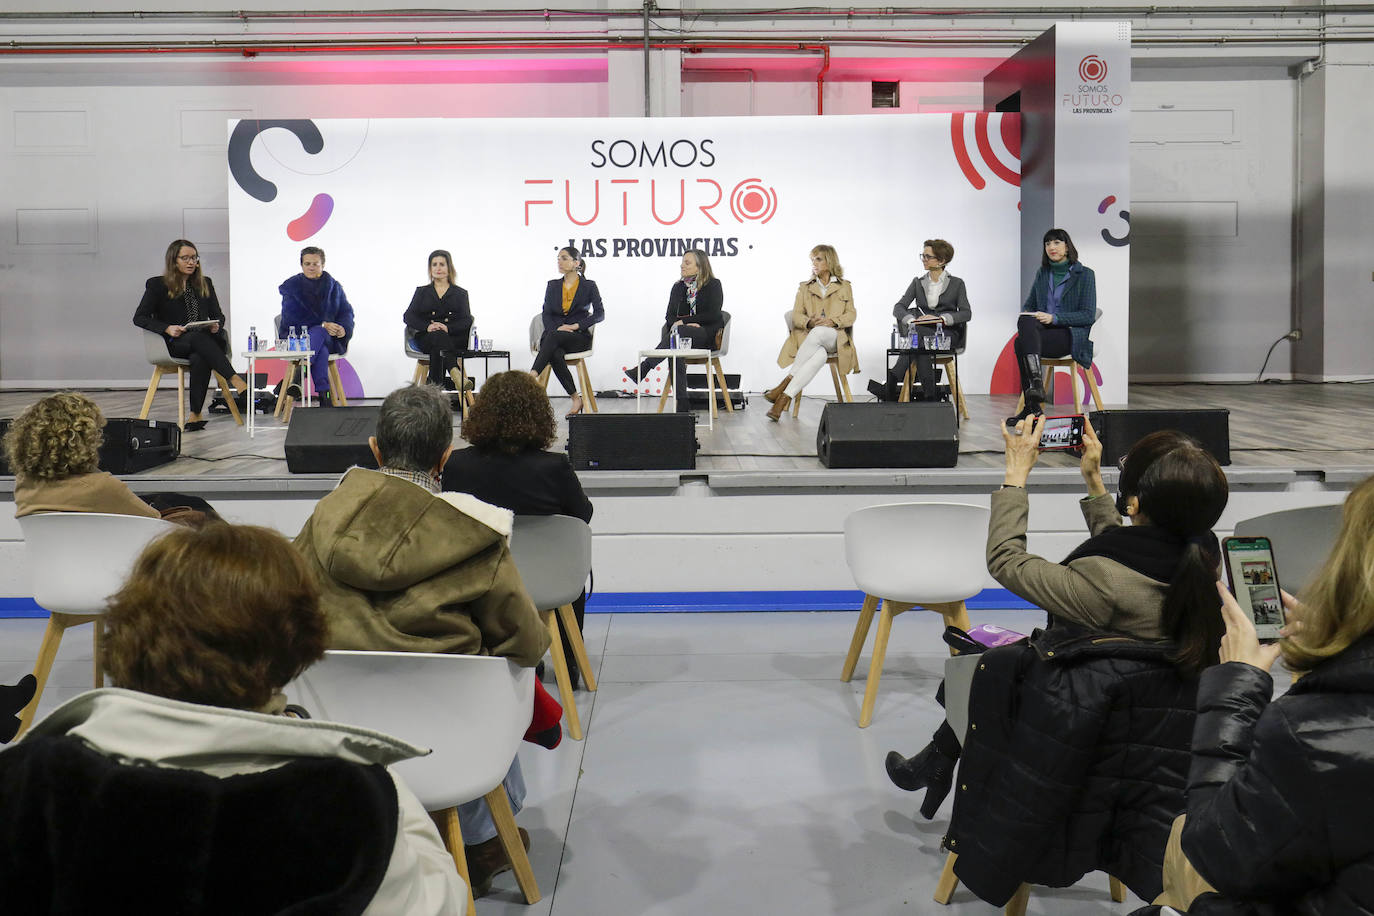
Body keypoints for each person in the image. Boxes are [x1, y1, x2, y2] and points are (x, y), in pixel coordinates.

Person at [0, 523, 465, 914]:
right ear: (298, 645)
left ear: (128, 629)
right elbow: (437, 902)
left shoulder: (28, 781)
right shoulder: (354, 801)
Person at [887, 417, 1230, 905]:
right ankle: (936, 760)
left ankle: (940, 757)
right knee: (1003, 662)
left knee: (984, 665)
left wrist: (1015, 474)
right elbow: (1134, 559)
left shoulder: (1099, 585)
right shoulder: (1203, 566)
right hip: (1149, 733)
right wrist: (1093, 483)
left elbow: (1007, 559)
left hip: (1069, 735)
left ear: (1134, 504)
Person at [294, 382, 550, 897]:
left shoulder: (320, 519)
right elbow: (525, 641)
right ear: (445, 456)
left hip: (336, 737)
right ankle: (478, 842)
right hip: (451, 744)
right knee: (510, 675)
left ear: (374, 449)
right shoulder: (478, 535)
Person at [1145, 475, 1374, 915]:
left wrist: (1236, 686)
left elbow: (1218, 853)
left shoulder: (1307, 736)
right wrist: (1338, 659)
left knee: (1177, 859)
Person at [443, 370, 594, 688]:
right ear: (539, 415)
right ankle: (568, 658)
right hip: (549, 583)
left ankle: (507, 654)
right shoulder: (554, 467)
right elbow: (583, 515)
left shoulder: (456, 465)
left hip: (480, 582)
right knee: (571, 565)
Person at [133, 239, 249, 431]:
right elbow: (139, 317)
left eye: (194, 258)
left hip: (205, 342)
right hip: (175, 342)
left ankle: (195, 415)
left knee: (199, 355)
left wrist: (216, 326)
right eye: (185, 258)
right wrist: (167, 328)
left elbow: (218, 315)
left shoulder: (205, 283)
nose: (191, 262)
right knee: (196, 340)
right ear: (173, 260)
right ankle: (235, 379)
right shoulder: (157, 285)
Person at [1007, 228, 1097, 428]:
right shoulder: (1043, 273)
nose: (1051, 247)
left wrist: (1054, 318)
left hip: (1069, 335)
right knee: (1024, 325)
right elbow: (1029, 305)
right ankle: (1036, 388)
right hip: (1041, 335)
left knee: (1021, 342)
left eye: (1056, 242)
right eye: (1047, 244)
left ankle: (1033, 407)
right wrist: (1030, 315)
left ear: (1067, 246)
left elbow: (1088, 315)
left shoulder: (1085, 275)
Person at [762, 244, 858, 421]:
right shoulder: (805, 287)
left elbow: (851, 315)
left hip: (835, 337)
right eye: (812, 260)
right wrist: (809, 321)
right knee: (819, 355)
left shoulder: (844, 286)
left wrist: (833, 321)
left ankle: (784, 383)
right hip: (812, 340)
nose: (814, 263)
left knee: (821, 332)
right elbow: (796, 314)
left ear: (829, 262)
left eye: (818, 259)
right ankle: (782, 400)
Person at [867, 239, 972, 402]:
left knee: (917, 340)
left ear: (941, 261)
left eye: (927, 256)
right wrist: (911, 321)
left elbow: (966, 313)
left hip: (947, 334)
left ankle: (894, 378)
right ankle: (930, 397)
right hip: (922, 334)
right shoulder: (918, 282)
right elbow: (898, 307)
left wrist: (940, 319)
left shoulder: (957, 284)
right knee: (919, 340)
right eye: (922, 255)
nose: (923, 259)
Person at [622, 249, 724, 412]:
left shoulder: (713, 284)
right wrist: (681, 325)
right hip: (681, 335)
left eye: (687, 262)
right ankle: (683, 404)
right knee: (675, 345)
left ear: (700, 266)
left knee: (677, 335)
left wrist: (687, 322)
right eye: (682, 262)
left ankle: (645, 367)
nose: (682, 265)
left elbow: (714, 314)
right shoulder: (678, 287)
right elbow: (669, 316)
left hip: (705, 335)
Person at [533, 246, 604, 417]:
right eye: (558, 258)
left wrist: (575, 326)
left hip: (577, 338)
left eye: (564, 258)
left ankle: (531, 376)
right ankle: (575, 399)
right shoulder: (553, 285)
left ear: (576, 263)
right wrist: (557, 328)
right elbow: (547, 314)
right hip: (554, 335)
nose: (560, 261)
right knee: (555, 352)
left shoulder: (589, 286)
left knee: (552, 340)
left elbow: (600, 314)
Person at [279, 245, 355, 407]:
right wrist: (322, 324)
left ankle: (300, 375)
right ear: (302, 265)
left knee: (320, 335)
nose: (311, 267)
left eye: (315, 264)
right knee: (321, 347)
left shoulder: (334, 287)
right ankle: (325, 396)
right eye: (307, 264)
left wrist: (343, 328)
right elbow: (290, 318)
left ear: (323, 265)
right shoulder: (291, 287)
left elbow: (346, 312)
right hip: (297, 338)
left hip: (328, 338)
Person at [403, 250, 472, 392]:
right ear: (430, 269)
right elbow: (408, 316)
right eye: (434, 265)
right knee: (437, 336)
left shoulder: (460, 293)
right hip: (427, 338)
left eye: (442, 264)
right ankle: (454, 373)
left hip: (452, 339)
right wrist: (427, 326)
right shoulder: (422, 292)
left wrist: (448, 328)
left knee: (439, 345)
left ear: (449, 268)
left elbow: (466, 320)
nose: (438, 268)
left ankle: (434, 394)